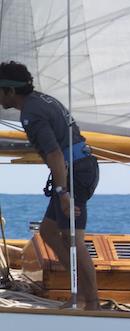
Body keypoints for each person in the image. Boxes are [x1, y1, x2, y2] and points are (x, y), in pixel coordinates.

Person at [0, 61, 100, 310]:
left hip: (74, 174)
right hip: (79, 168)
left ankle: (91, 303)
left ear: (10, 92)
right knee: (48, 232)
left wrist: (63, 193)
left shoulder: (31, 114)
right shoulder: (43, 100)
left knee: (72, 239)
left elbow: (55, 155)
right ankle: (84, 297)